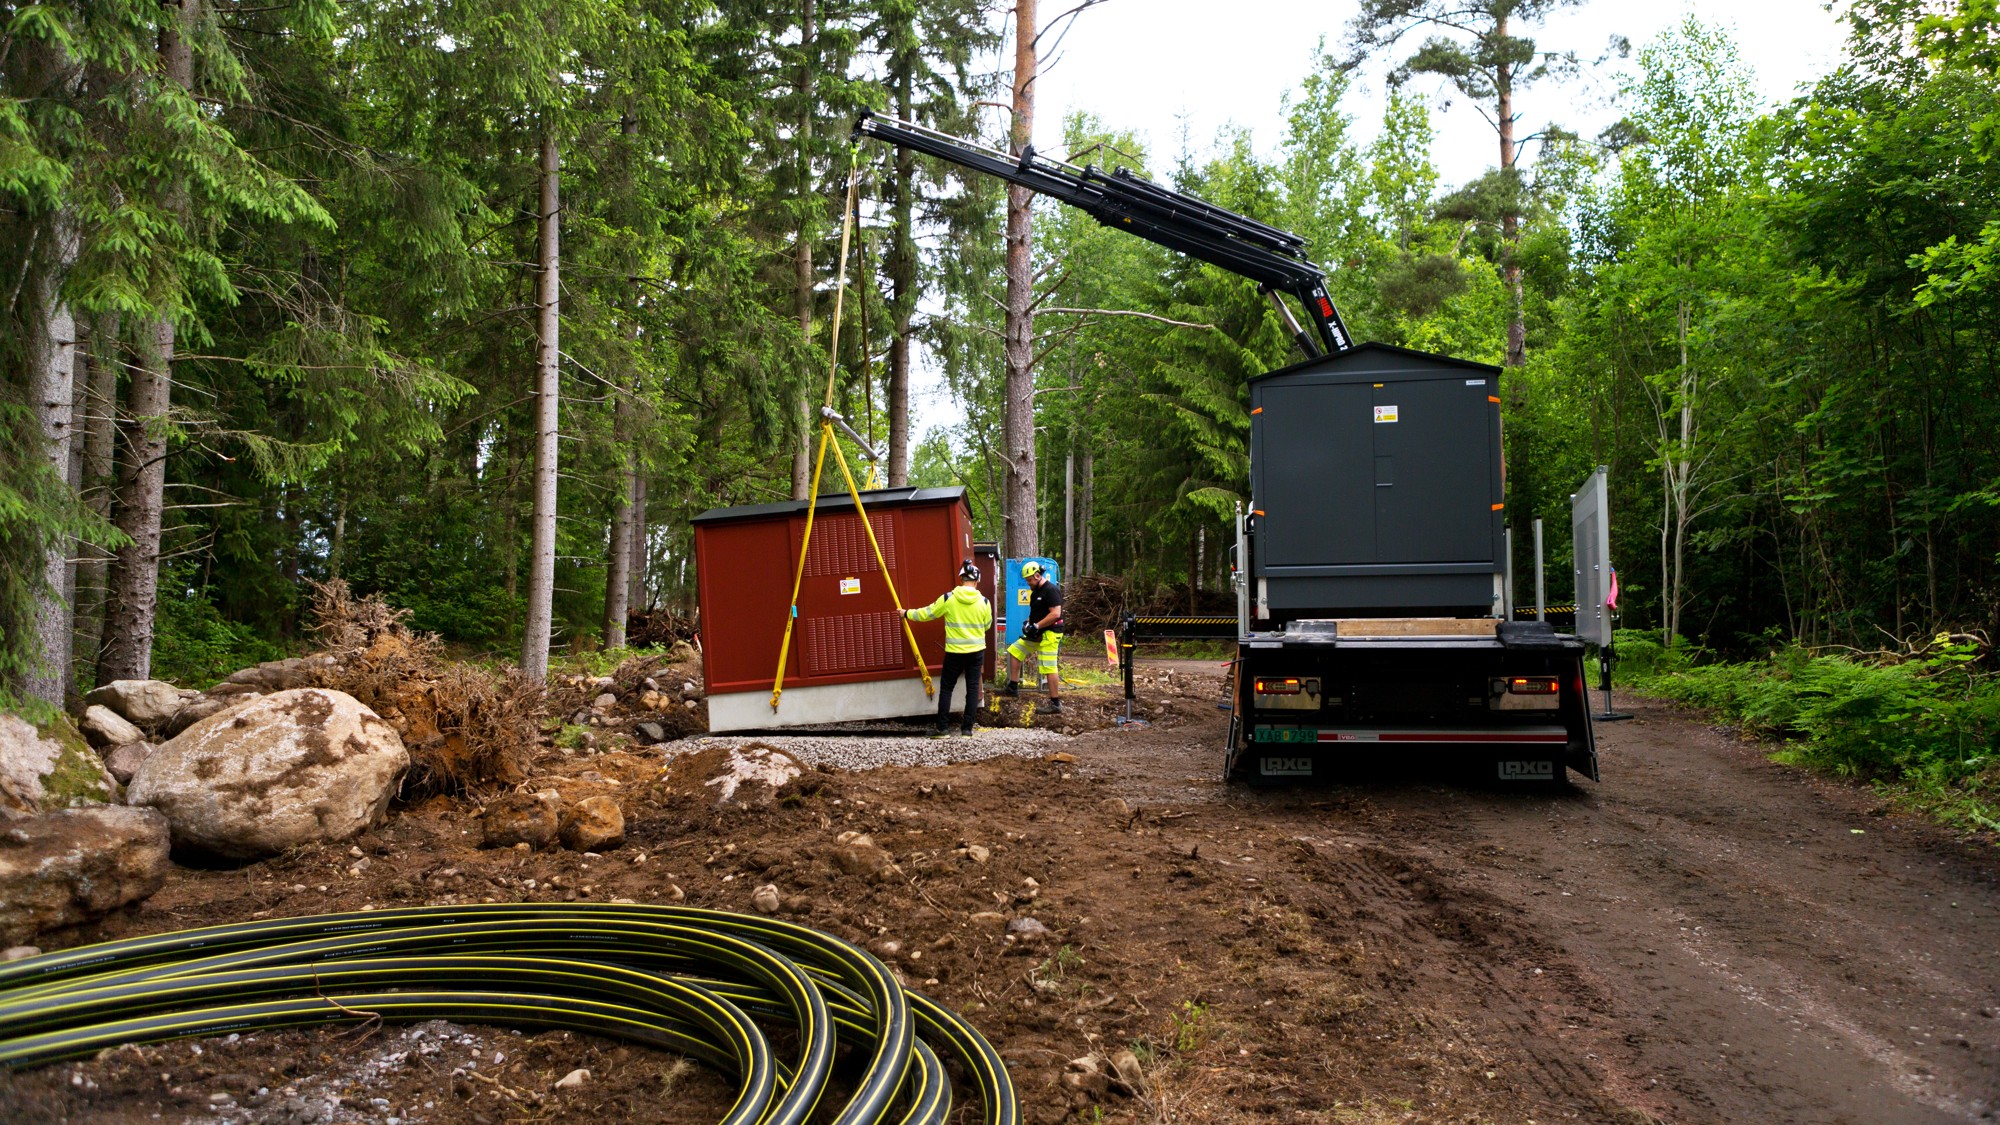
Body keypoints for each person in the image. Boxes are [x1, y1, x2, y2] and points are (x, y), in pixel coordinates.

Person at [905, 560, 993, 735]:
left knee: (947, 688)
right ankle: (967, 730)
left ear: (961, 579)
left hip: (954, 653)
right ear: (976, 582)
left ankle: (942, 728)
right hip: (976, 652)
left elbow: (927, 613)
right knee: (973, 688)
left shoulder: (948, 599)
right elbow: (987, 626)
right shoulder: (984, 602)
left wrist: (906, 613)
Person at [1003, 561, 1063, 711]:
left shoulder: (1051, 590)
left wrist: (1036, 626)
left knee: (1048, 667)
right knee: (1015, 651)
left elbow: (1055, 614)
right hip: (1038, 632)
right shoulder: (1036, 591)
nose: (1028, 582)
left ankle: (1055, 703)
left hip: (1050, 633)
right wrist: (1028, 623)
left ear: (1037, 576)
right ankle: (1013, 687)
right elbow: (1035, 613)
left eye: (1029, 579)